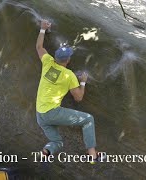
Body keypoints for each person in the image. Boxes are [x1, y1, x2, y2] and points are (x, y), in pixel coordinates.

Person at [35, 19, 105, 163]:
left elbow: (39, 47)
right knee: (88, 119)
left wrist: (43, 29)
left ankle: (45, 152)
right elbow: (78, 98)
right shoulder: (69, 76)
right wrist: (83, 82)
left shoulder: (47, 62)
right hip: (51, 113)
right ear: (67, 61)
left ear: (55, 57)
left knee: (57, 142)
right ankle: (93, 154)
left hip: (40, 115)